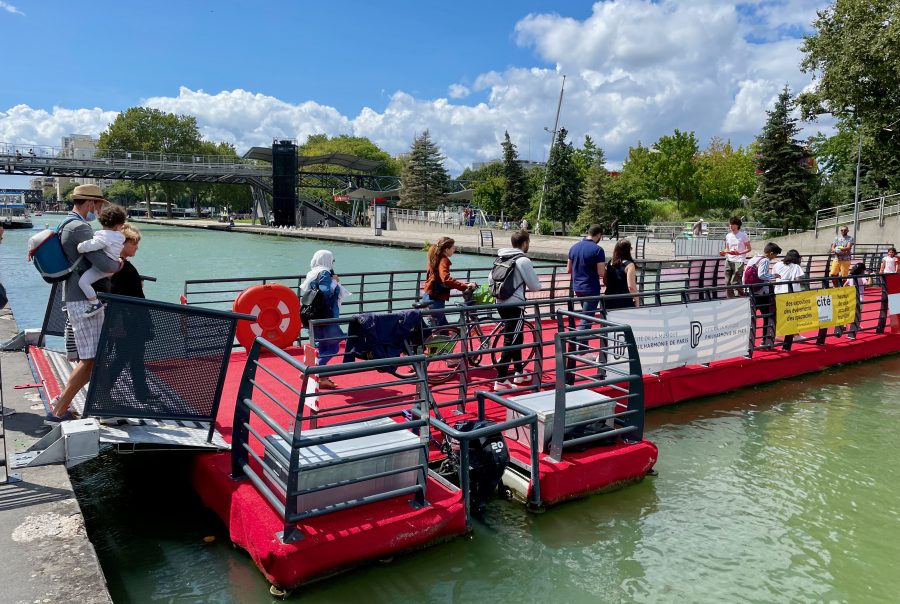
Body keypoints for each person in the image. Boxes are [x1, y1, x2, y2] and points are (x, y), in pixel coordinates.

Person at [49, 184, 122, 421]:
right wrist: (119, 264)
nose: (99, 211)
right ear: (91, 203)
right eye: (100, 205)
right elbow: (106, 265)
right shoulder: (80, 227)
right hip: (83, 301)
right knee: (90, 359)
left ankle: (100, 405)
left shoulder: (65, 224)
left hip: (75, 295)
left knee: (92, 357)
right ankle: (59, 408)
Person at [102, 224, 154, 401]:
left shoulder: (119, 265)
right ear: (122, 244)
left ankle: (142, 392)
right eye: (134, 244)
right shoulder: (119, 265)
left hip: (131, 318)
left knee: (136, 356)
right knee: (123, 356)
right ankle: (103, 391)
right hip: (129, 320)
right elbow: (113, 289)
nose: (137, 247)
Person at [491, 229, 542, 391]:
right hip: (515, 304)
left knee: (515, 337)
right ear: (525, 243)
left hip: (500, 302)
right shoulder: (523, 260)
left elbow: (490, 278)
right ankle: (501, 380)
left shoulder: (501, 257)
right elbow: (535, 286)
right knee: (511, 340)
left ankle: (519, 372)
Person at [301, 250, 349, 389]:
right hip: (327, 315)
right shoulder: (324, 273)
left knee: (322, 346)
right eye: (332, 261)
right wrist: (334, 281)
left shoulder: (312, 273)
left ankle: (322, 377)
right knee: (334, 346)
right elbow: (325, 291)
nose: (332, 263)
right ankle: (311, 371)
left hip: (315, 314)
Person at [76, 204, 127, 317]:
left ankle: (94, 303)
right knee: (86, 282)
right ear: (119, 224)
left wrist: (80, 247)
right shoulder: (119, 236)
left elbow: (94, 244)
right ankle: (96, 303)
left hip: (104, 267)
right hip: (112, 265)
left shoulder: (106, 236)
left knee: (83, 282)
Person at [422, 237, 475, 326]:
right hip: (436, 299)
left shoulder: (434, 257)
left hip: (428, 296)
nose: (454, 250)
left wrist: (461, 284)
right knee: (435, 330)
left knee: (443, 328)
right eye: (453, 248)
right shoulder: (443, 260)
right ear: (447, 249)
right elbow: (445, 279)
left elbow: (436, 278)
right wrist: (464, 286)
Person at [567, 225, 606, 330]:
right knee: (586, 319)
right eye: (601, 237)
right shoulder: (598, 250)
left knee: (585, 316)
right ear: (598, 235)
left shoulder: (574, 247)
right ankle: (581, 345)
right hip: (591, 288)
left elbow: (568, 269)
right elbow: (601, 272)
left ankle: (582, 344)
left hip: (577, 288)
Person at [745, 242, 782, 348]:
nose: (774, 258)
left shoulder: (754, 259)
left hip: (751, 291)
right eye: (775, 255)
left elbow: (745, 275)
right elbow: (762, 275)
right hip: (761, 293)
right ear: (770, 253)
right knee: (768, 316)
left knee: (750, 317)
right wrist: (774, 275)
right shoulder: (765, 260)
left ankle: (748, 343)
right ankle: (765, 341)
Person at [719, 216, 752, 297]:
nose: (730, 226)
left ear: (737, 225)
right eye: (730, 224)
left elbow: (749, 249)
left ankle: (742, 296)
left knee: (735, 281)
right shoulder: (728, 235)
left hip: (739, 260)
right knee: (727, 282)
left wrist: (739, 253)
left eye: (732, 224)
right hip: (729, 260)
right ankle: (730, 298)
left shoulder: (743, 235)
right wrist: (724, 252)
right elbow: (727, 248)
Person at [604, 239, 640, 309]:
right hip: (624, 300)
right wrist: (637, 300)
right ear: (628, 250)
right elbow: (631, 287)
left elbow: (605, 281)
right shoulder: (629, 265)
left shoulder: (609, 263)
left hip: (609, 298)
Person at [836, 263, 868, 340]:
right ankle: (853, 332)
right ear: (862, 271)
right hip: (859, 298)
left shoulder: (850, 277)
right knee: (857, 314)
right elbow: (868, 284)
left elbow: (845, 285)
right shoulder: (862, 277)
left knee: (849, 313)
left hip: (851, 297)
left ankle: (843, 326)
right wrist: (870, 277)